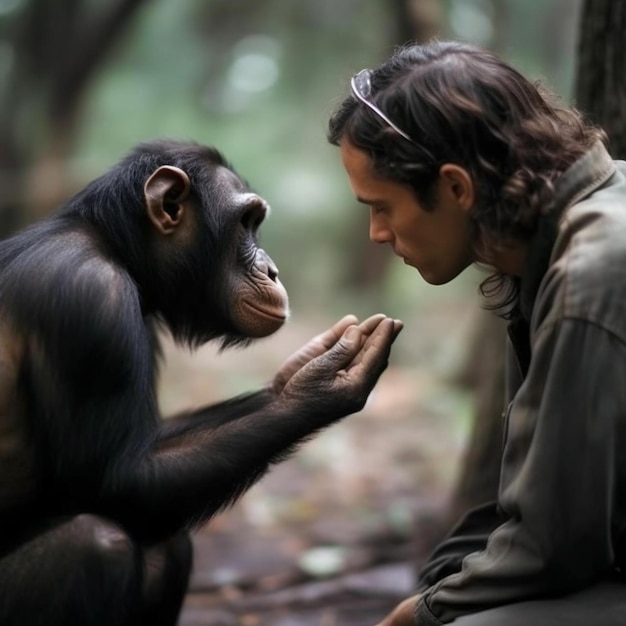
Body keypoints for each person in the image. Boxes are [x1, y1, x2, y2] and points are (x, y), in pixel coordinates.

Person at [327, 40, 626, 625]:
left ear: (457, 188)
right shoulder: (556, 240)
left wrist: (422, 613)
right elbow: (525, 494)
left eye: (382, 206)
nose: (376, 234)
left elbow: (558, 543)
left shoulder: (591, 277)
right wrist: (444, 577)